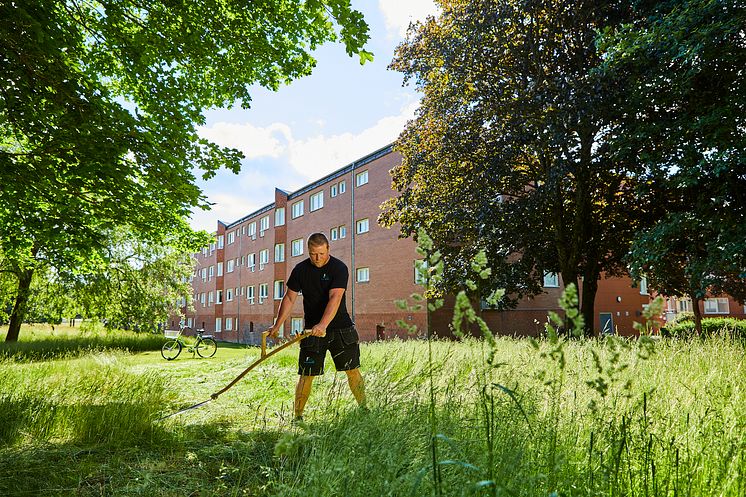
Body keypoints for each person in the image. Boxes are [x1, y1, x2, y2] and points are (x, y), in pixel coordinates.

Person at [267, 232, 366, 422]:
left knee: (352, 370)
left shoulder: (339, 268)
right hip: (311, 332)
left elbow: (335, 297)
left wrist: (323, 324)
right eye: (313, 254)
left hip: (340, 330)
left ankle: (364, 408)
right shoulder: (300, 270)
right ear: (308, 251)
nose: (317, 258)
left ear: (328, 249)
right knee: (306, 374)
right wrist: (277, 324)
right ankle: (297, 416)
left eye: (321, 253)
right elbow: (289, 298)